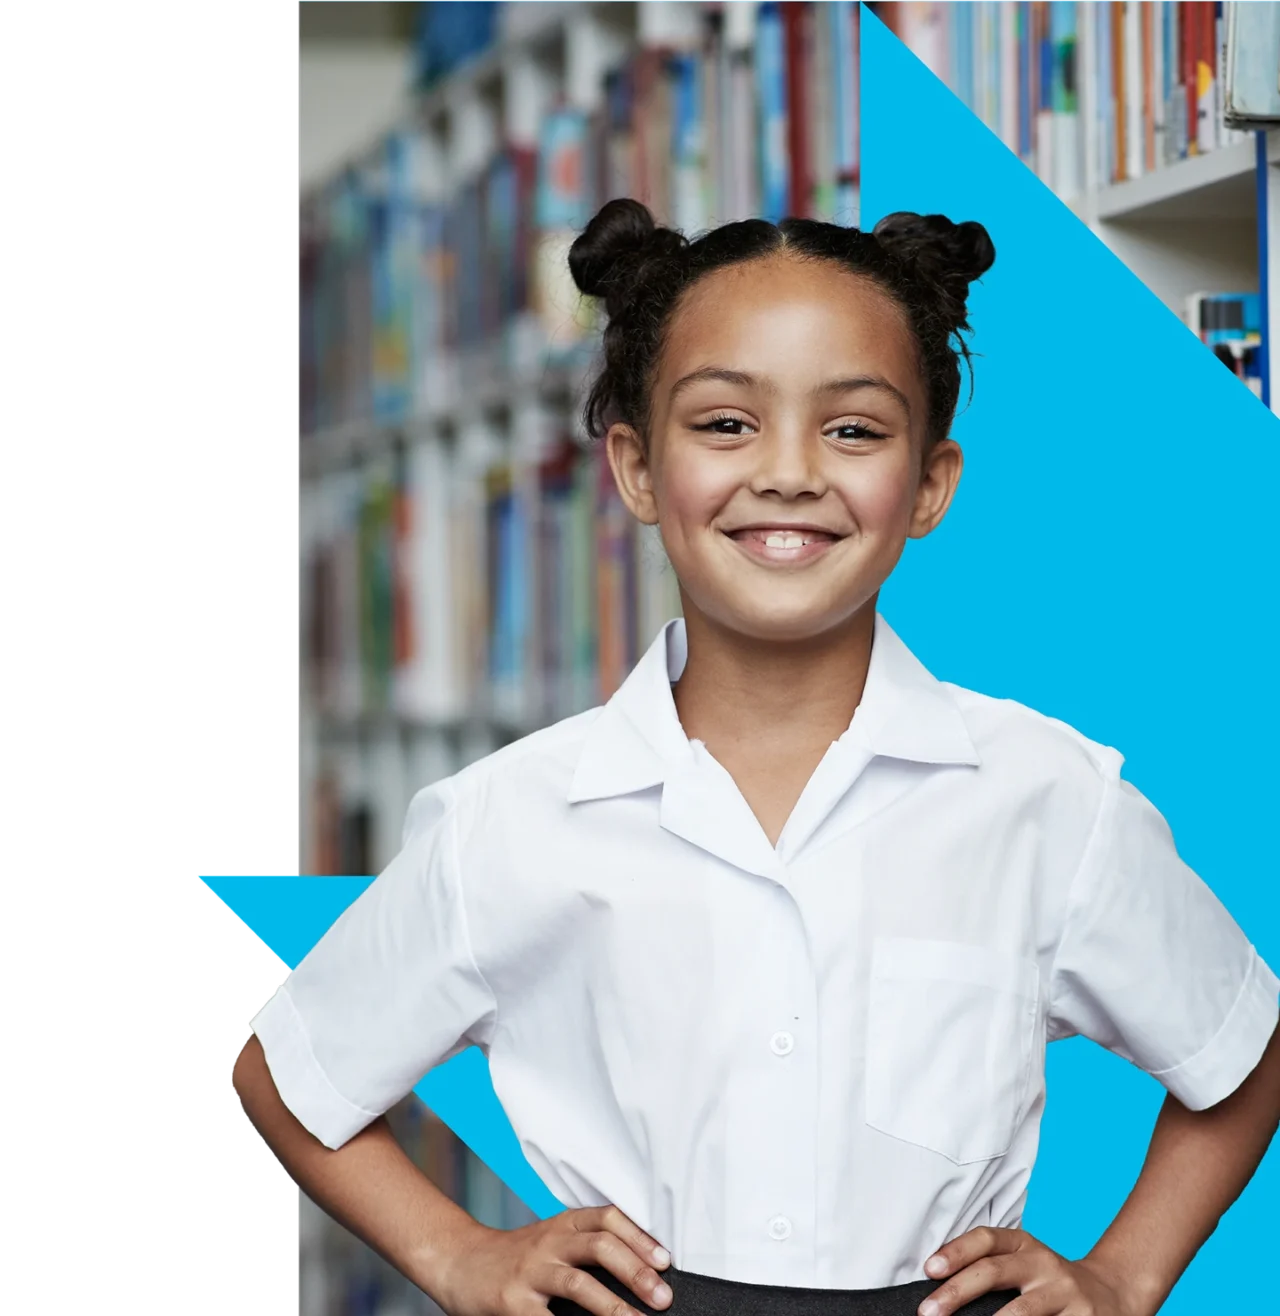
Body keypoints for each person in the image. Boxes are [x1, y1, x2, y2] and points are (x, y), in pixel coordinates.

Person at [235, 200, 1280, 1316]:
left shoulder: (1047, 796)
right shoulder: (513, 817)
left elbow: (1239, 1046)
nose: (786, 473)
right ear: (635, 469)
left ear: (929, 483)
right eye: (725, 424)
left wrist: (1122, 1276)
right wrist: (454, 1254)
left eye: (853, 430)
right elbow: (288, 1071)